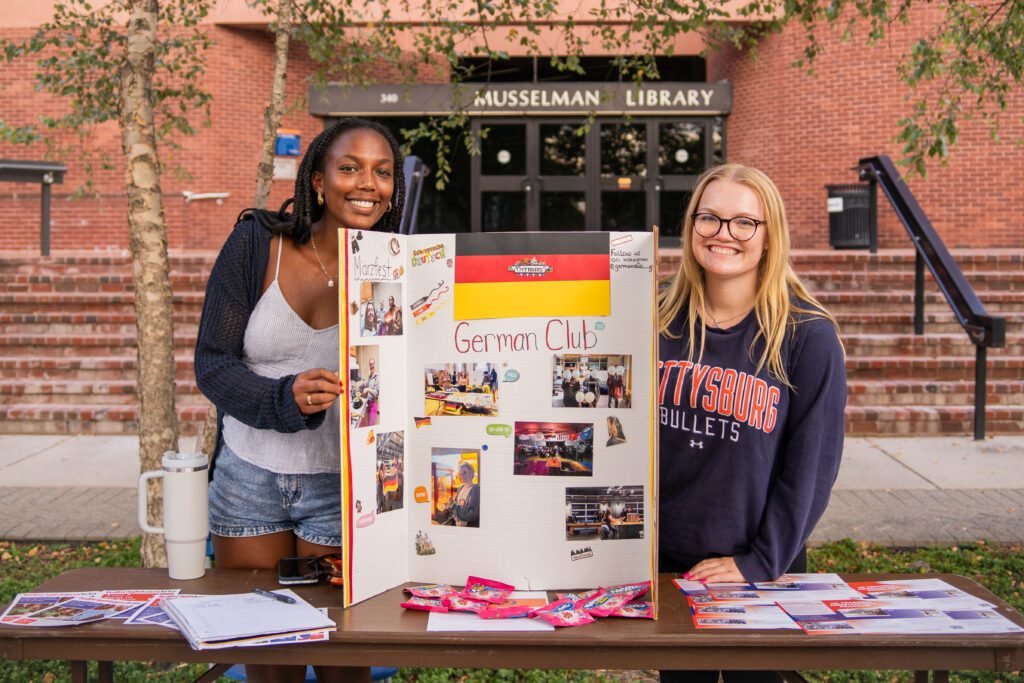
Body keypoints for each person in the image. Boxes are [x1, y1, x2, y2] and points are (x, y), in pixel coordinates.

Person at [194, 117, 404, 683]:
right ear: (318, 179)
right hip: (248, 481)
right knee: (270, 659)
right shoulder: (256, 245)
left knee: (343, 665)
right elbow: (211, 364)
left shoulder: (402, 267)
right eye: (350, 168)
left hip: (345, 486)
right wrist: (281, 397)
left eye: (382, 172)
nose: (368, 183)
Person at [658, 164, 846, 683]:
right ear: (691, 226)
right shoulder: (657, 316)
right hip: (670, 560)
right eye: (709, 218)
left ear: (769, 236)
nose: (723, 233)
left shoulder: (807, 335)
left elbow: (811, 468)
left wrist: (759, 561)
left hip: (762, 565)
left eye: (744, 222)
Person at [445, 461, 480, 527]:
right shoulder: (460, 488)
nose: (462, 476)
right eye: (460, 473)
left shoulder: (477, 490)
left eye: (464, 472)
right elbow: (455, 505)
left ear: (471, 474)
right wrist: (449, 505)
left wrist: (453, 505)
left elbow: (470, 515)